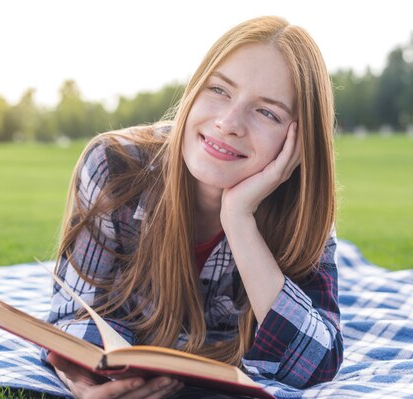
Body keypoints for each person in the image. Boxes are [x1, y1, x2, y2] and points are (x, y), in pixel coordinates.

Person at [43, 15, 343, 398]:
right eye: (219, 90)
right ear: (194, 89)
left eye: (267, 112)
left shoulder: (303, 210)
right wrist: (84, 377)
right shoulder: (114, 166)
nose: (228, 123)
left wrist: (239, 219)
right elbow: (74, 314)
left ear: (298, 142)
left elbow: (317, 364)